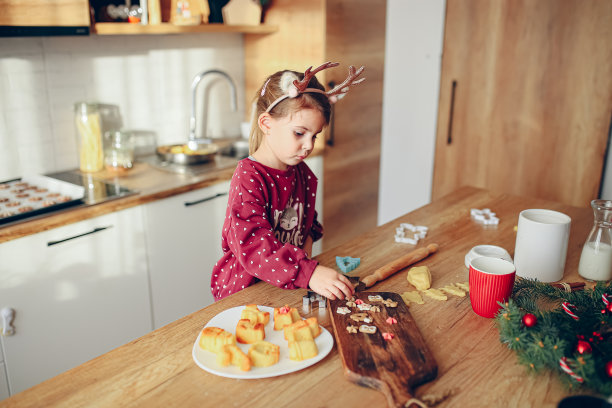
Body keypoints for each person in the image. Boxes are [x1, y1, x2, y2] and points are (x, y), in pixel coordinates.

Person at [211, 62, 365, 301]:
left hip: (287, 285)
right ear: (266, 124)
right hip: (245, 293)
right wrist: (307, 272)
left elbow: (309, 225)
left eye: (315, 135)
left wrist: (305, 267)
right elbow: (253, 246)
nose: (309, 145)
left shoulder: (302, 173)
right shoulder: (248, 177)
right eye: (299, 133)